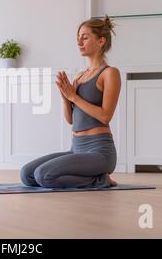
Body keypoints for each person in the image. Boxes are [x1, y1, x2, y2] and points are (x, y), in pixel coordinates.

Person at [20, 15, 121, 188]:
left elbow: (105, 116)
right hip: (76, 148)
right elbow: (71, 120)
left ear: (101, 41)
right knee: (27, 174)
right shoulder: (80, 76)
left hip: (99, 152)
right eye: (78, 38)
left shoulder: (109, 73)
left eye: (85, 37)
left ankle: (101, 180)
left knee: (44, 176)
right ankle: (95, 178)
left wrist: (74, 97)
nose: (79, 42)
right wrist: (65, 98)